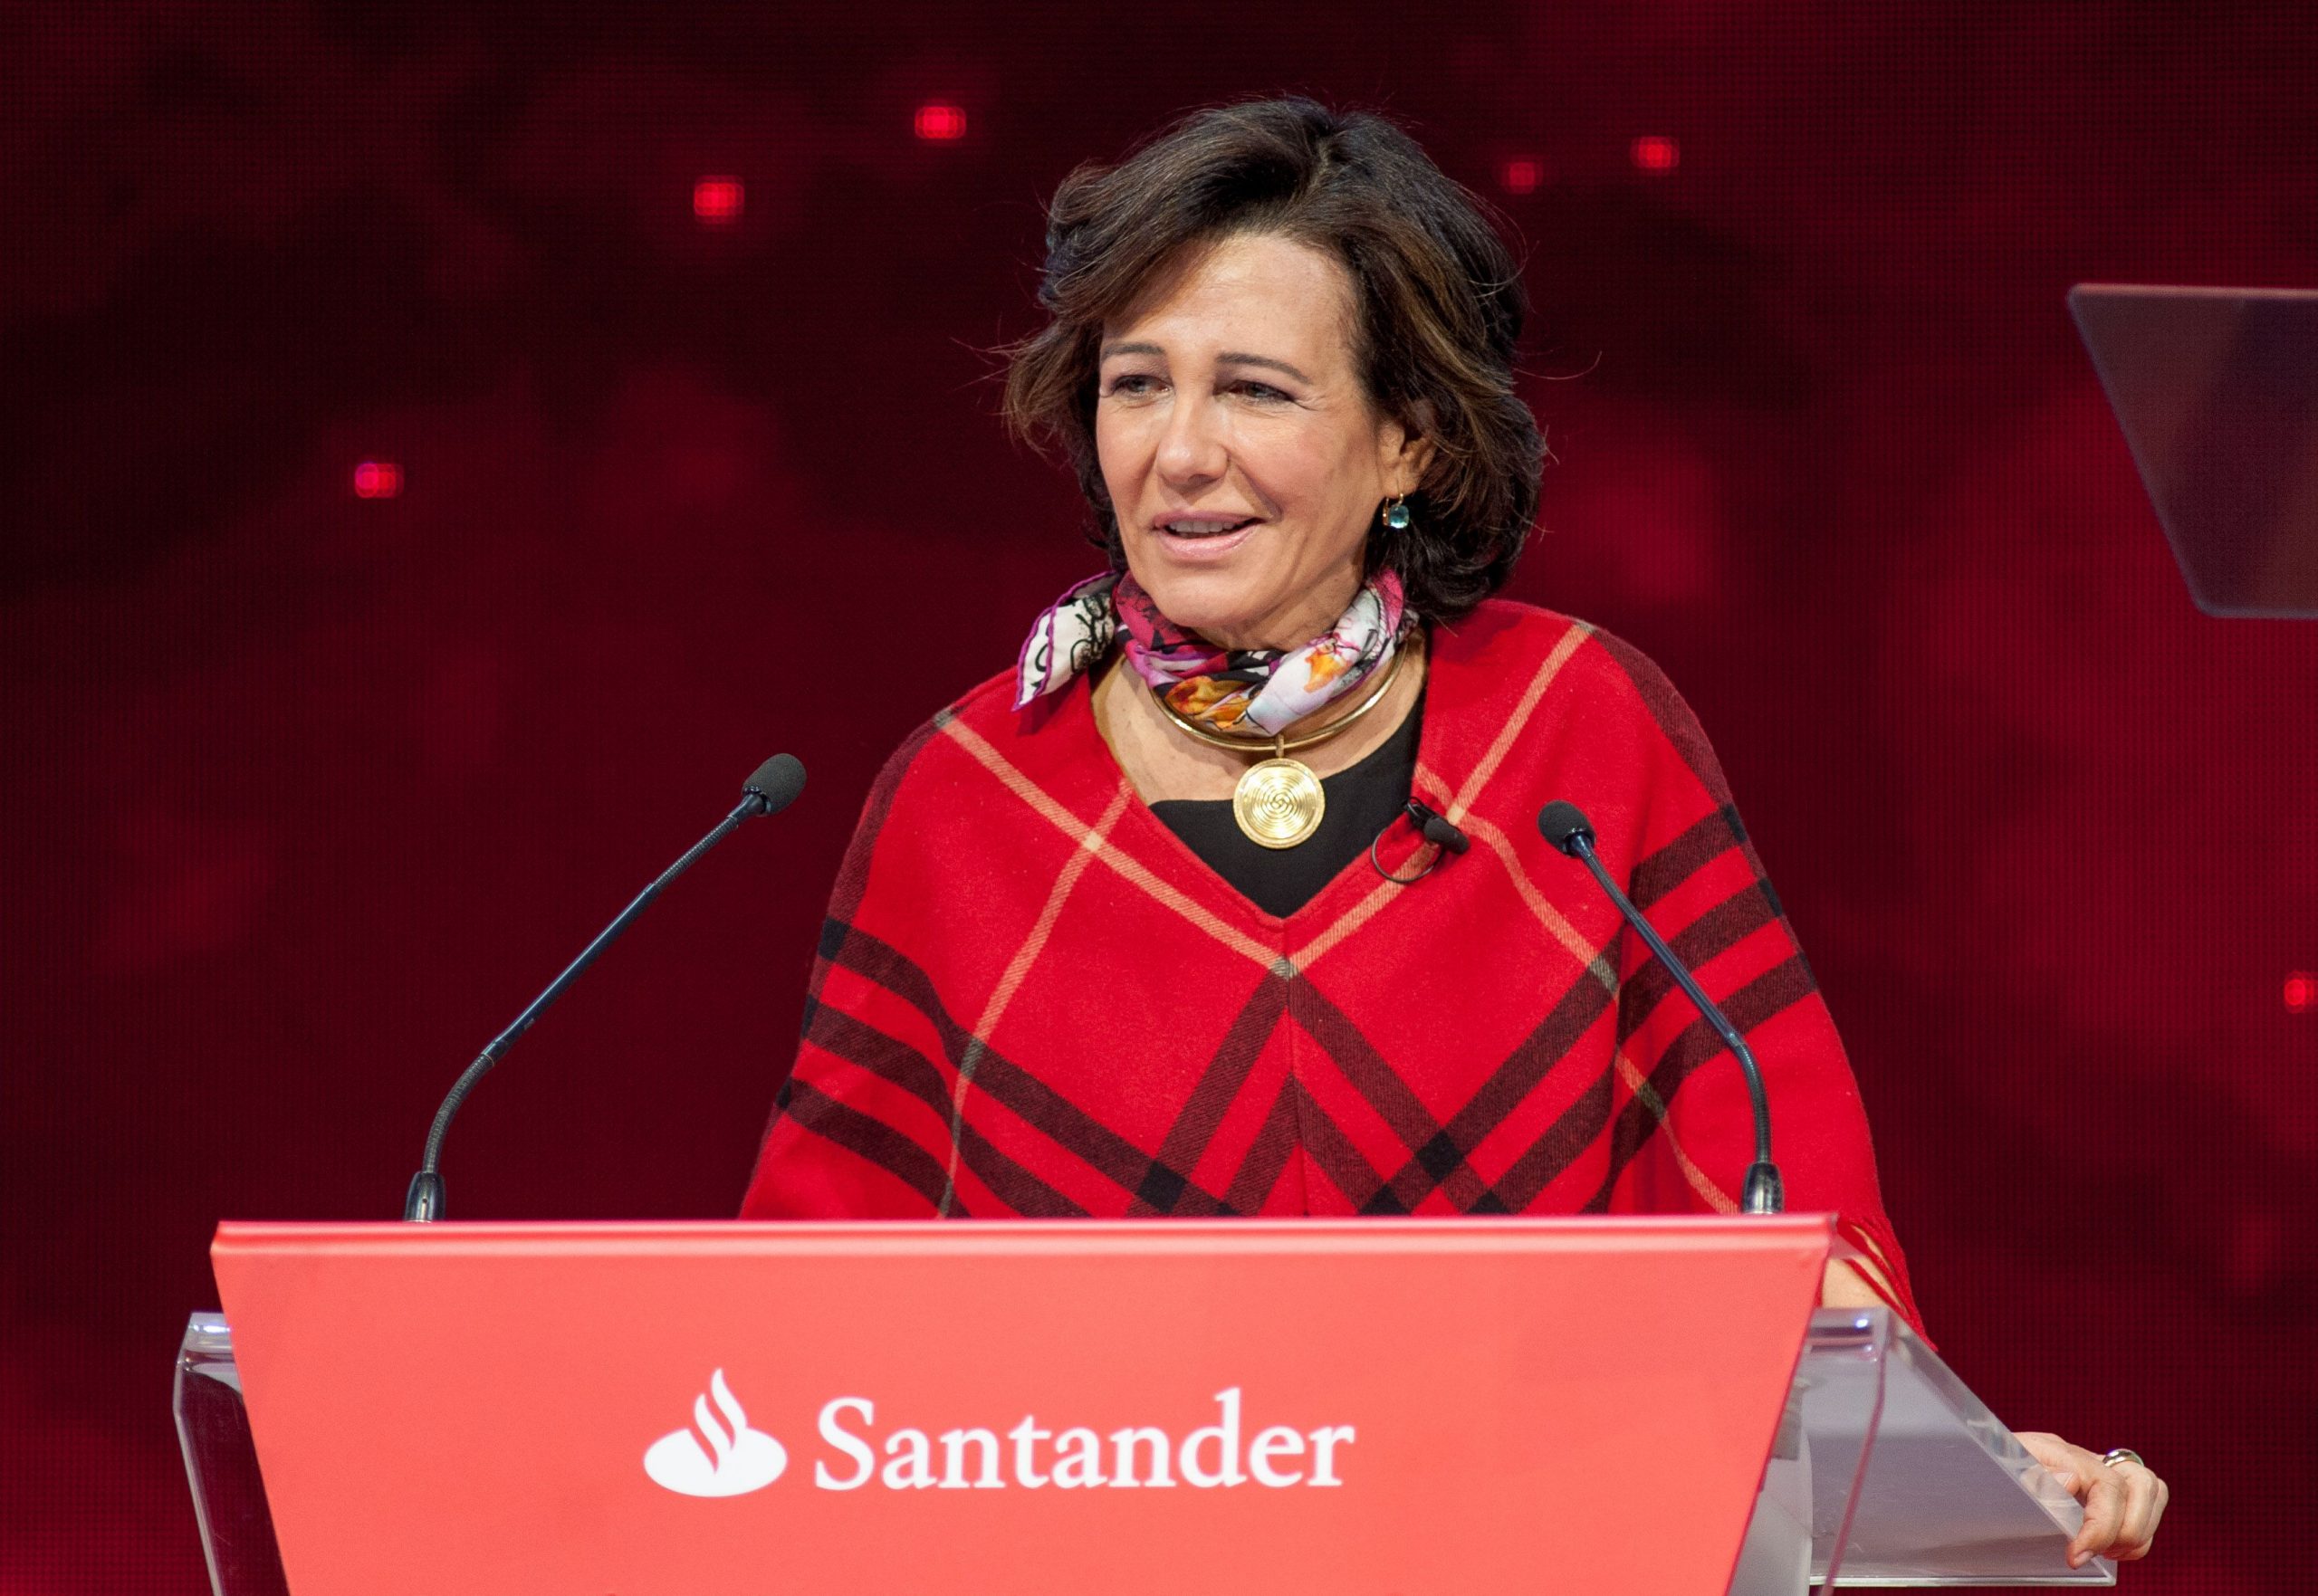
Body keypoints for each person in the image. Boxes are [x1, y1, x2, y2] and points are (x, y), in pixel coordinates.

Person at [739, 97, 2165, 1566]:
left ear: (1409, 442)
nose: (1177, 453)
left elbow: (1774, 1217)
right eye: (1135, 384)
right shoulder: (968, 789)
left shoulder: (1579, 726)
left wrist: (1969, 1474)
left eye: (1255, 392)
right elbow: (818, 1310)